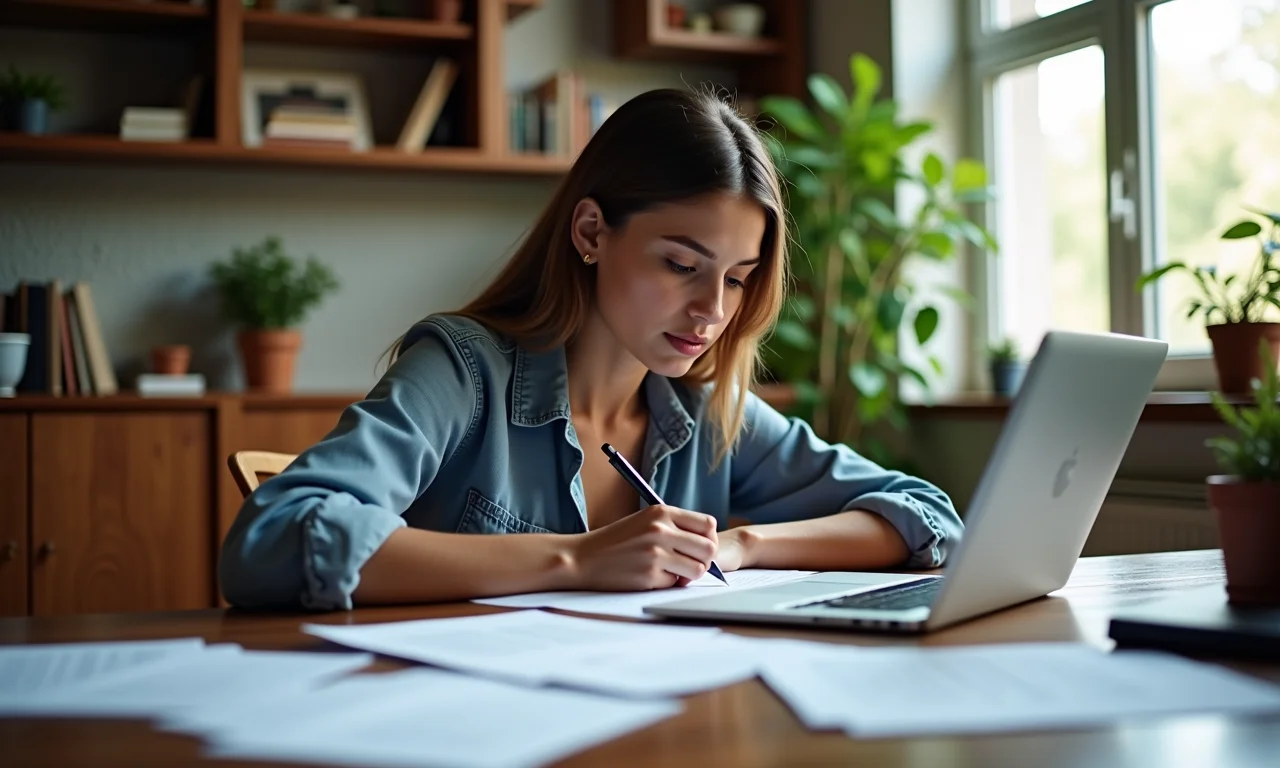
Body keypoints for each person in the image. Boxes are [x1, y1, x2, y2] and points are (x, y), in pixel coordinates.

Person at [219, 88, 963, 610]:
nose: (711, 311)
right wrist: (575, 559)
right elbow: (268, 543)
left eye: (736, 280)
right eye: (680, 265)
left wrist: (741, 548)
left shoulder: (705, 415)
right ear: (590, 233)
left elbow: (925, 514)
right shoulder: (462, 370)